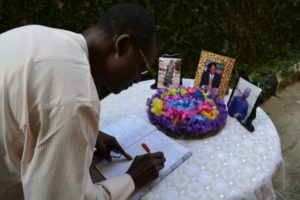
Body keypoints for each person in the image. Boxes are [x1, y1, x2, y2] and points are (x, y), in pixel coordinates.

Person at [0, 4, 166, 200]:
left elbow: (29, 110)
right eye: (142, 67)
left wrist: (89, 132)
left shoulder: (37, 35)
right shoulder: (76, 100)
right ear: (122, 45)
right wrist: (132, 179)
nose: (138, 78)